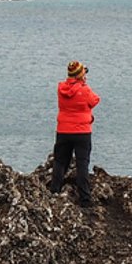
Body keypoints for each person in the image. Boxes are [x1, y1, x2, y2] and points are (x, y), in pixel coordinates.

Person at [50, 60, 99, 207]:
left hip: (63, 130)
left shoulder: (61, 88)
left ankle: (54, 192)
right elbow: (95, 100)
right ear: (80, 75)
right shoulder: (84, 90)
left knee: (60, 162)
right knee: (82, 164)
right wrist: (83, 84)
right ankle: (85, 199)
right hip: (82, 132)